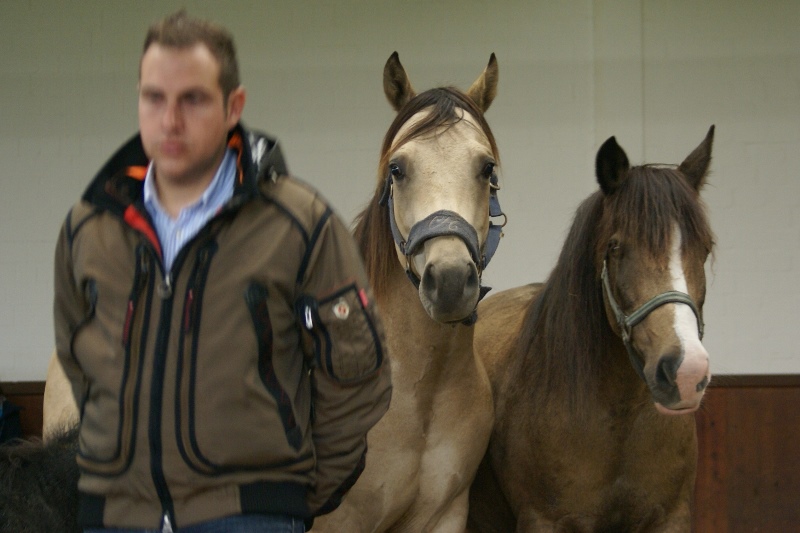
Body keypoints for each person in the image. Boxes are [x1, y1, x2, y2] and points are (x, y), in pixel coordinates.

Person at [53, 10, 391, 532]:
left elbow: (358, 372)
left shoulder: (301, 225)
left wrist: (289, 496)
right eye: (154, 98)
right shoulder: (88, 228)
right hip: (117, 517)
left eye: (193, 98)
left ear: (234, 106)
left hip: (249, 518)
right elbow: (80, 362)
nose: (170, 121)